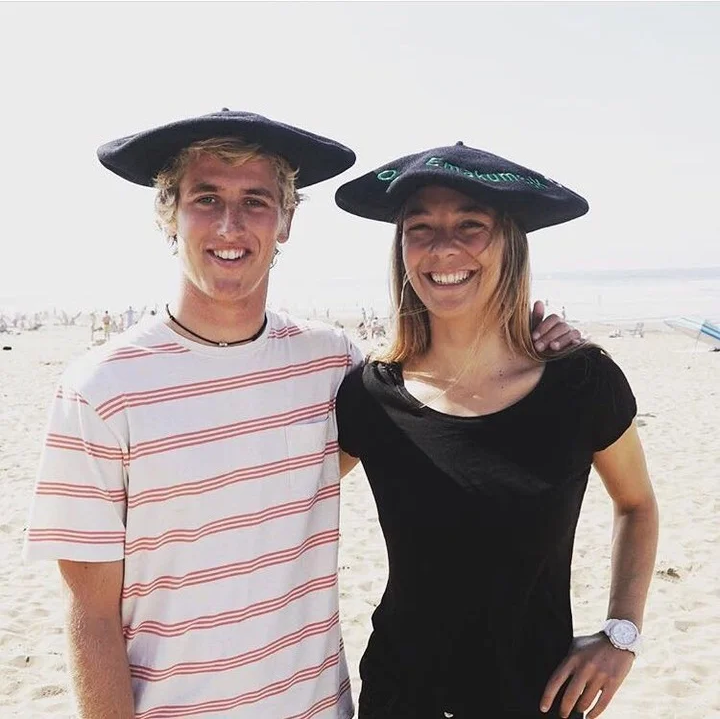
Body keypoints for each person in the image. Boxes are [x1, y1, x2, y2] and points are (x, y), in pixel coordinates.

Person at [24, 112, 577, 719]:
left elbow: (441, 404)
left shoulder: (332, 365)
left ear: (286, 220)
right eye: (206, 199)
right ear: (169, 215)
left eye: (256, 201)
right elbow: (90, 613)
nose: (230, 225)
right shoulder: (101, 390)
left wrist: (527, 343)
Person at [333, 143, 659, 719]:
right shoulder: (370, 394)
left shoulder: (581, 383)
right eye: (420, 228)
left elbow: (636, 504)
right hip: (400, 696)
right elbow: (286, 505)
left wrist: (621, 632)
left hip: (538, 697)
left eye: (471, 225)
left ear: (510, 242)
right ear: (401, 249)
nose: (443, 247)